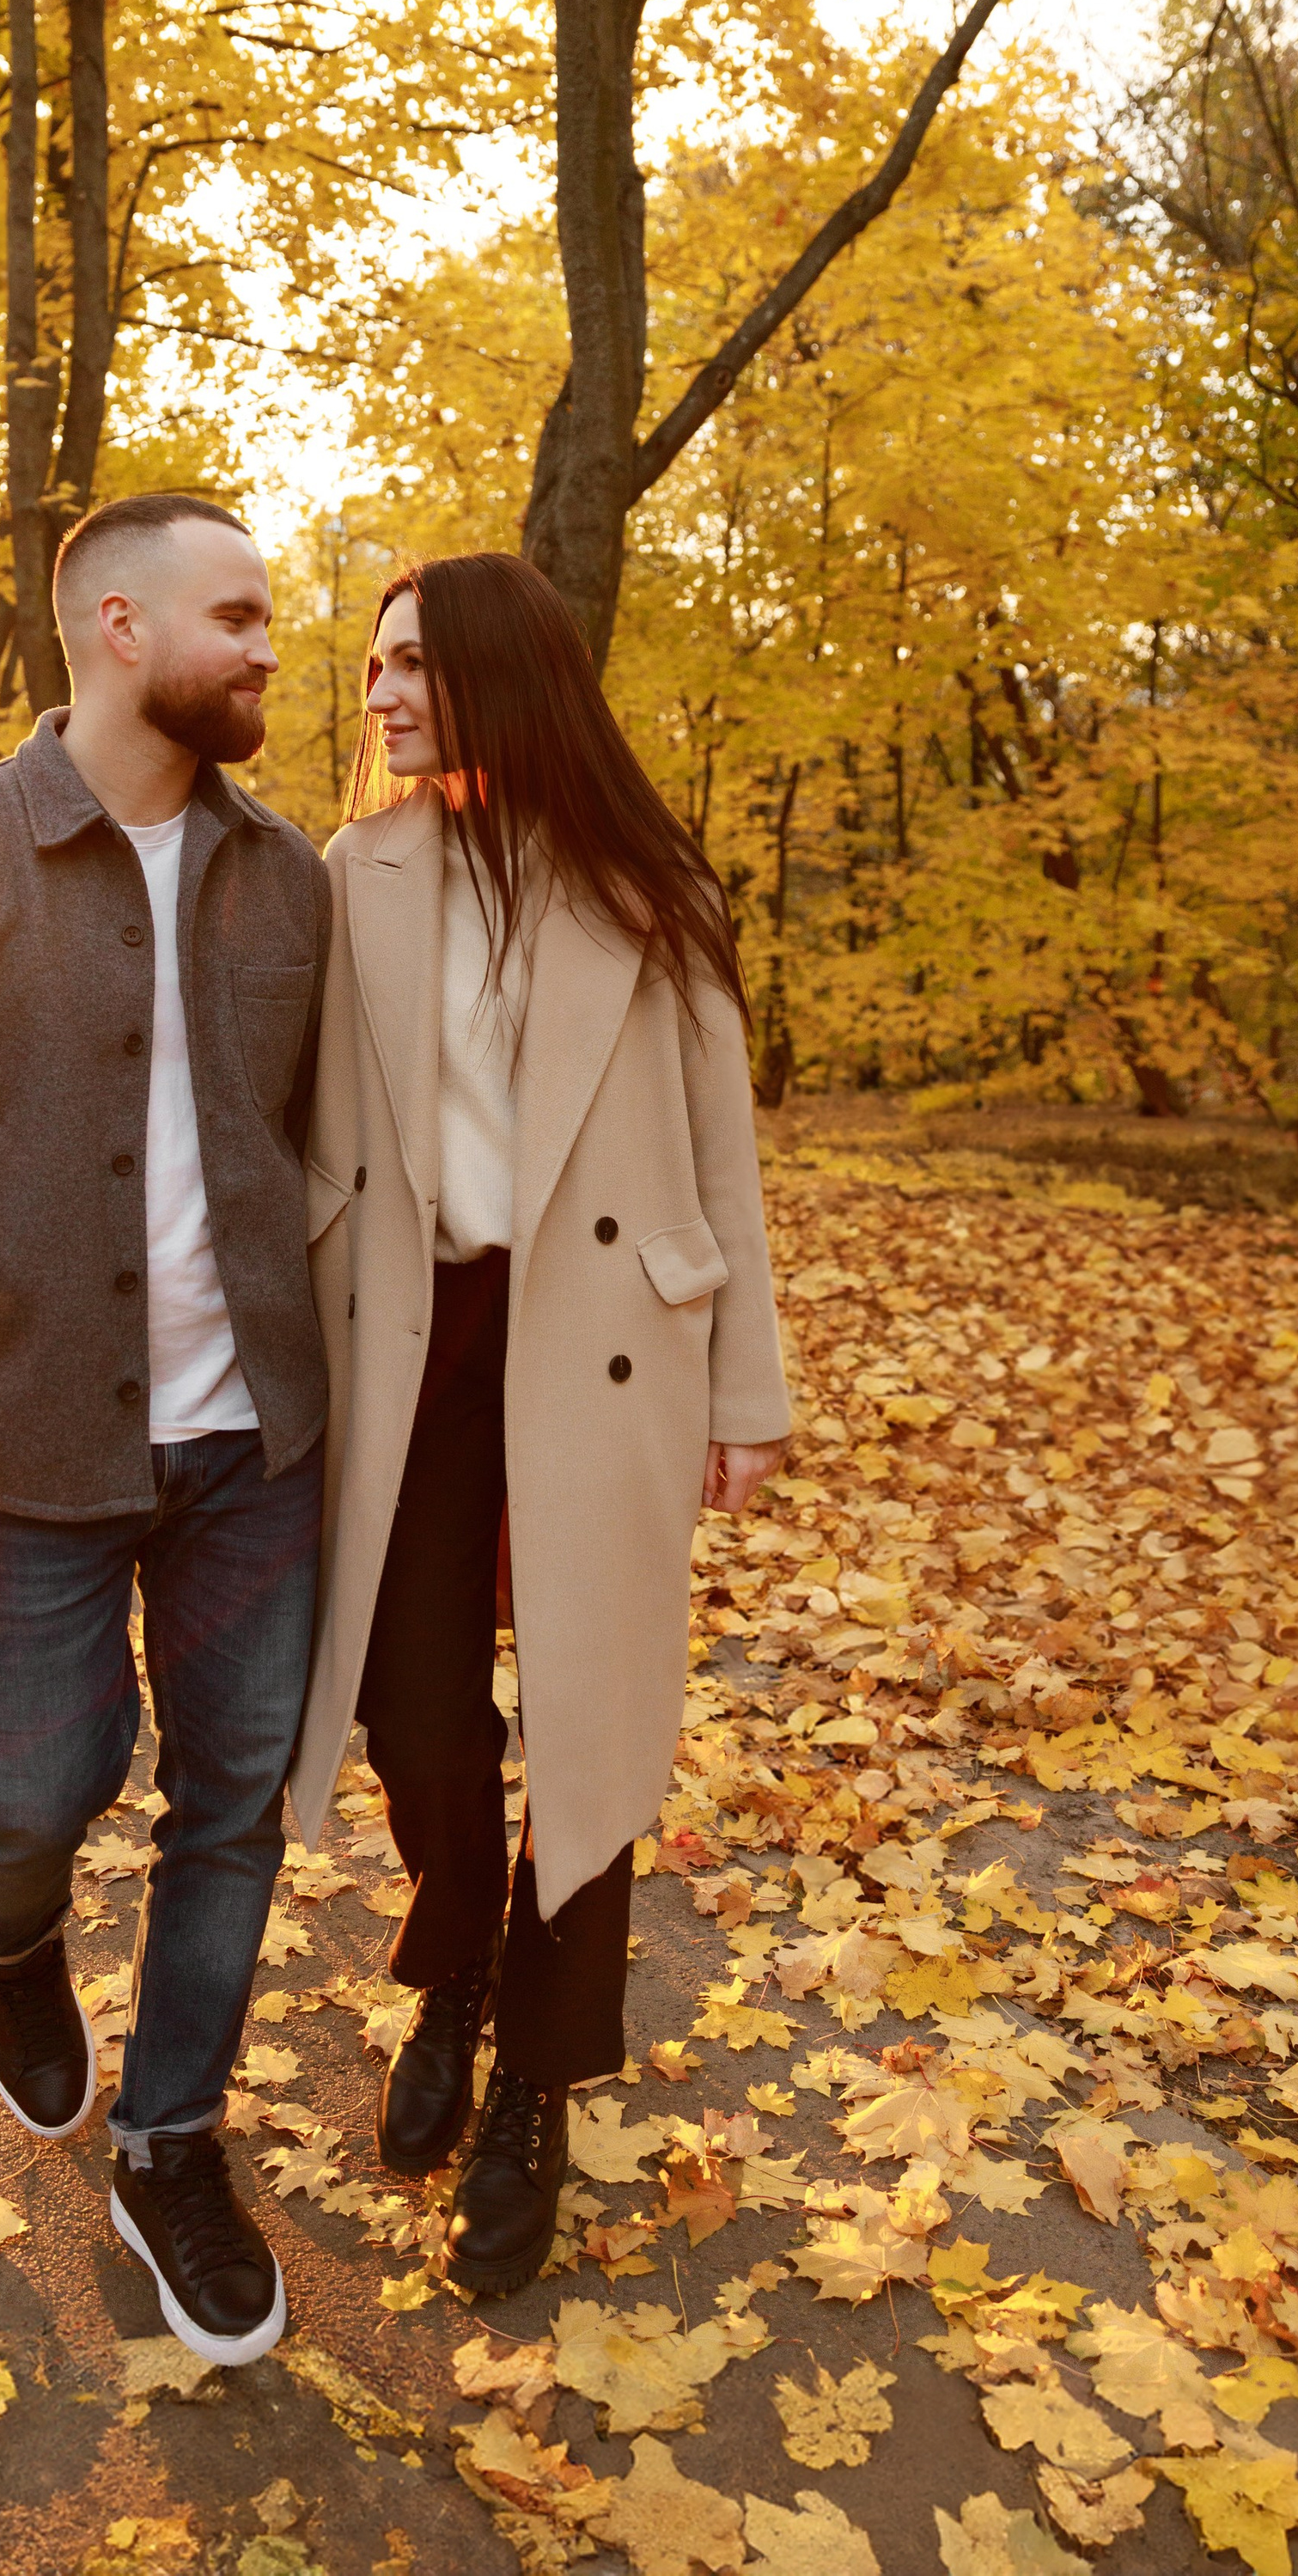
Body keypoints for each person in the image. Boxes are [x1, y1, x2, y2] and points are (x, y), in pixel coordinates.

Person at [0, 493, 330, 2369]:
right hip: (24, 1452)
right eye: (240, 615)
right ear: (119, 625)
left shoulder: (290, 876)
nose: (272, 647)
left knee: (234, 1803)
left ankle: (169, 2139)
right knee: (31, 1791)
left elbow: (321, 1159)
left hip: (253, 1455)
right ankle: (12, 1944)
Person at [289, 552, 789, 2299]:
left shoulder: (651, 888)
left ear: (498, 672)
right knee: (411, 1700)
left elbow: (721, 1153)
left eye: (409, 661)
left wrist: (748, 1383)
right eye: (369, 665)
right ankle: (452, 1953)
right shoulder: (357, 871)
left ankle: (529, 2083)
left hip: (602, 1343)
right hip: (410, 1338)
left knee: (585, 1721)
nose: (376, 692)